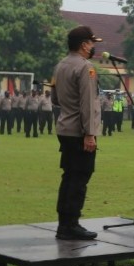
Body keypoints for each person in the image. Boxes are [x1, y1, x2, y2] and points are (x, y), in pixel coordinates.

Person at [50, 25, 102, 241]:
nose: (92, 47)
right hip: (80, 131)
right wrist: (90, 134)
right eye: (91, 43)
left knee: (69, 175)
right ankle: (71, 224)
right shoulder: (85, 67)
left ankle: (64, 223)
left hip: (65, 127)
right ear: (83, 45)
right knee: (79, 177)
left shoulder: (60, 65)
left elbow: (54, 99)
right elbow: (88, 103)